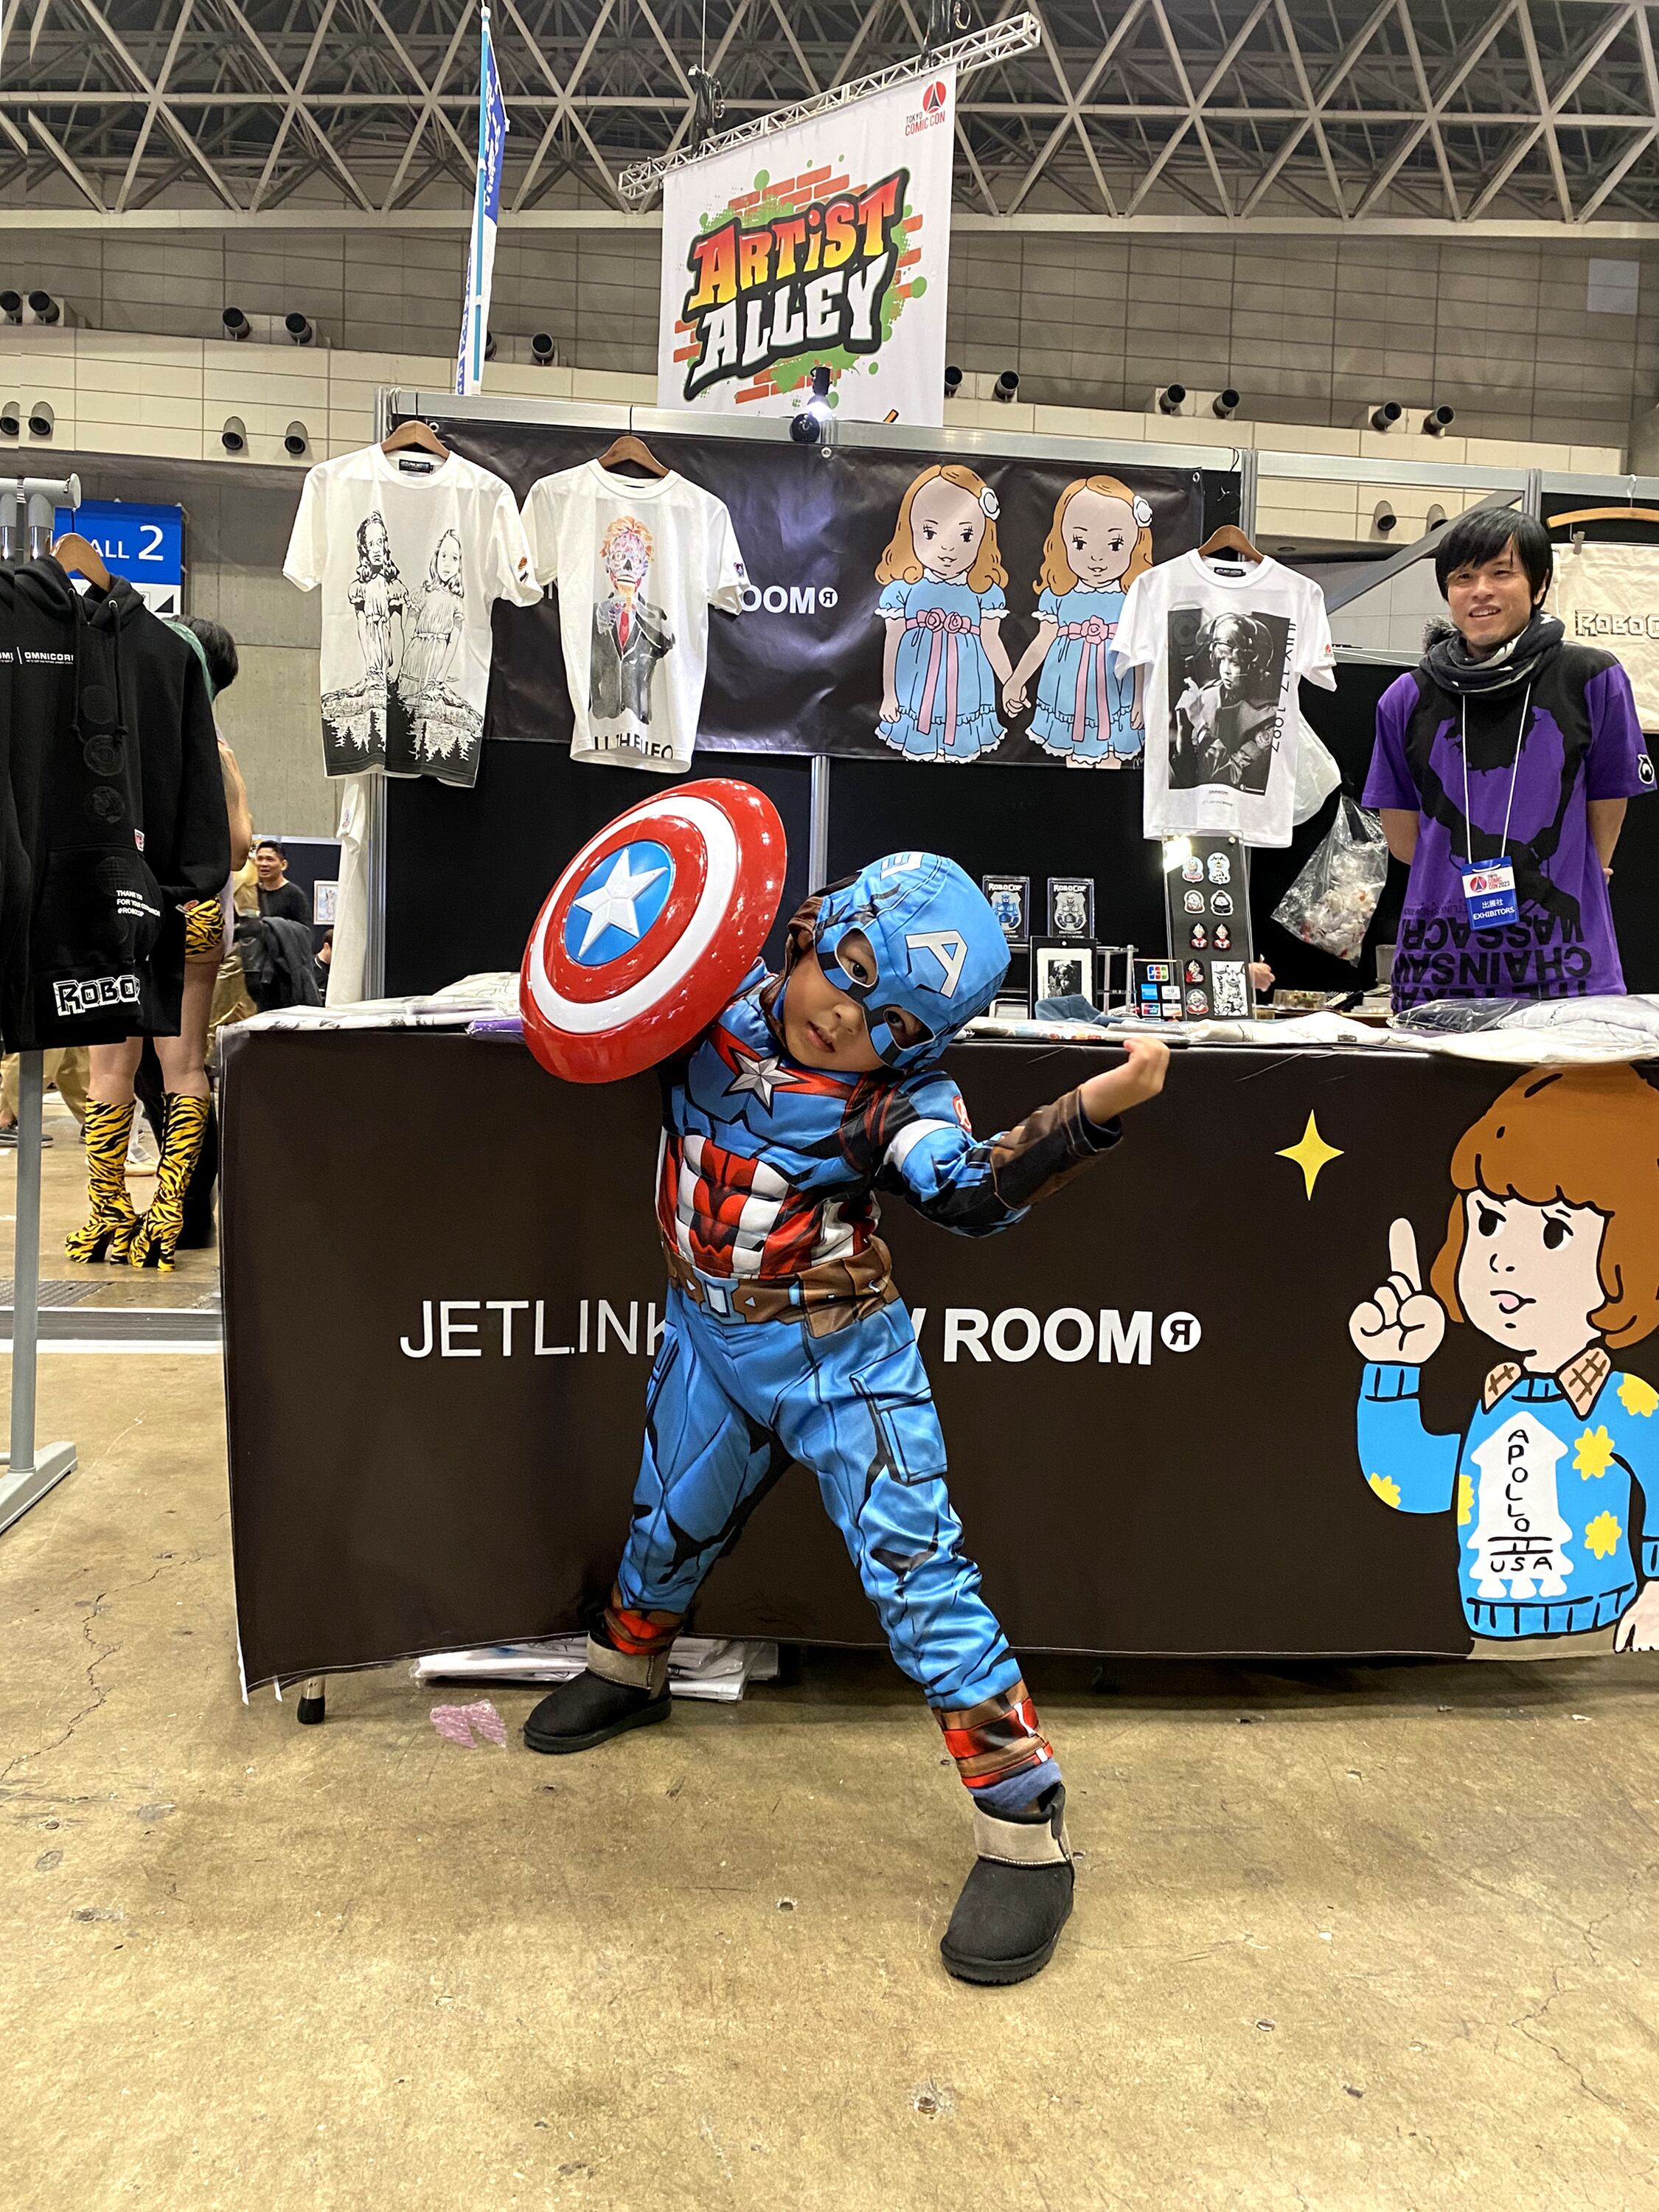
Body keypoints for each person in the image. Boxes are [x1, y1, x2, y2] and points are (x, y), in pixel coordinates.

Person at [523, 853, 1169, 1986]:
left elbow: (964, 1189)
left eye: (893, 1023)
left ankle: (1024, 1830)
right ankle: (627, 1669)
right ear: (814, 932)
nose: (847, 1019)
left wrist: (1089, 1114)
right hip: (707, 1327)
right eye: (854, 970)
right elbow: (600, 986)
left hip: (838, 1354)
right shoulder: (708, 1007)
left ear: (920, 1047)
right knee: (668, 1518)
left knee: (919, 1577)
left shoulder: (896, 1102)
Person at [1363, 509, 1653, 1011]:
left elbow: (1607, 809)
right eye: (1463, 577)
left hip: (1566, 971)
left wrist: (1574, 867)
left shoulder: (1591, 678)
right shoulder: (1406, 698)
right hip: (1440, 970)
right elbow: (1405, 841)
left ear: (1539, 585)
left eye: (1502, 573)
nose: (1481, 591)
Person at [69, 614, 250, 1271]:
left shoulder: (108, 728)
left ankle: (107, 1215)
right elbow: (236, 847)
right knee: (186, 1066)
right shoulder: (213, 744)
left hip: (116, 904)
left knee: (108, 1070)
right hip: (192, 910)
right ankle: (170, 1217)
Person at [254, 840, 310, 927]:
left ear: (283, 865)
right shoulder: (252, 892)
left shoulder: (294, 895)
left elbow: (305, 930)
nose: (263, 864)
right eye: (260, 859)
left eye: (270, 859)